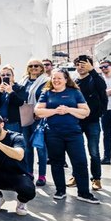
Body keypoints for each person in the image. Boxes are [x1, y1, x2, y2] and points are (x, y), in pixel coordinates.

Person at [35, 69, 96, 203]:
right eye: (54, 78)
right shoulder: (46, 93)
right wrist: (55, 111)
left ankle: (84, 192)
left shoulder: (74, 92)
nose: (56, 81)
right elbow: (38, 111)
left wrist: (68, 109)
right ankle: (60, 190)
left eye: (59, 78)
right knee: (57, 163)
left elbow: (86, 111)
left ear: (66, 79)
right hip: (53, 133)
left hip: (73, 133)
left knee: (80, 162)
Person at [0, 113, 36, 215]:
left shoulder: (16, 137)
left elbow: (19, 155)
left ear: (2, 125)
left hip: (18, 176)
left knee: (28, 190)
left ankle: (22, 201)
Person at [73, 55, 108, 191]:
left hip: (93, 121)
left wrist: (92, 70)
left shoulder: (95, 79)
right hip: (77, 121)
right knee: (76, 151)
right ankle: (76, 176)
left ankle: (96, 178)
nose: (81, 67)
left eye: (84, 64)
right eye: (78, 64)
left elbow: (102, 86)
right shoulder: (75, 82)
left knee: (94, 152)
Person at [18, 59, 50, 186]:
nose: (33, 68)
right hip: (26, 116)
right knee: (27, 147)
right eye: (30, 66)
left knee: (40, 147)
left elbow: (48, 98)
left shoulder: (46, 81)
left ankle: (42, 175)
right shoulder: (23, 81)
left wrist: (40, 112)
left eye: (36, 66)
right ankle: (29, 172)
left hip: (39, 117)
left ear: (41, 68)